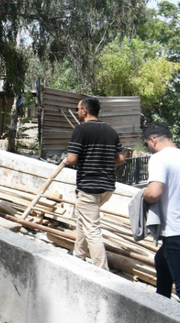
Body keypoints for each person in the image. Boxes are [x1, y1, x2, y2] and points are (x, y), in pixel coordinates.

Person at [143, 123, 180, 312]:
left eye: (147, 145)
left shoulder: (159, 158)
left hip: (179, 232)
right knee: (162, 259)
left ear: (153, 140)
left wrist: (143, 195)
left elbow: (154, 193)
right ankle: (162, 307)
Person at [67, 96, 125, 270]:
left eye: (78, 109)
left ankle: (101, 271)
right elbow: (121, 159)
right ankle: (78, 256)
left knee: (92, 228)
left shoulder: (81, 130)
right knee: (83, 220)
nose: (77, 112)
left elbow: (72, 159)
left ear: (84, 110)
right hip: (107, 186)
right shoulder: (111, 131)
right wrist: (103, 163)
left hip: (89, 186)